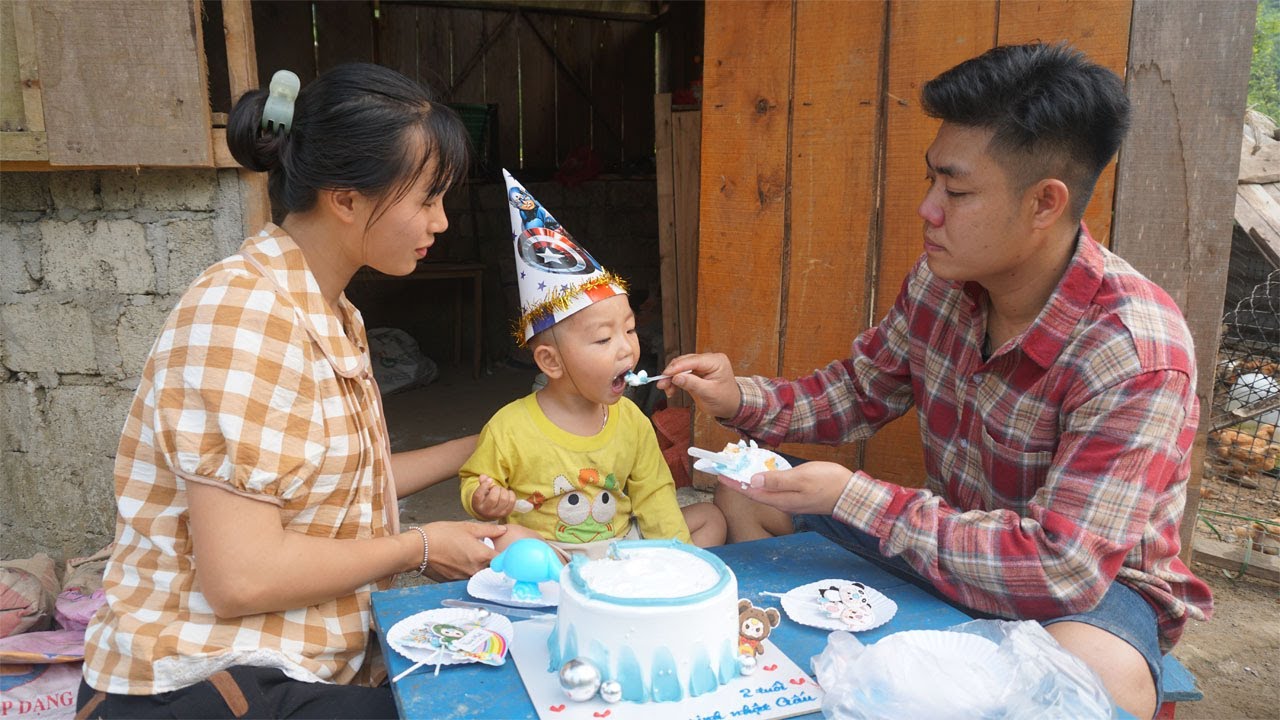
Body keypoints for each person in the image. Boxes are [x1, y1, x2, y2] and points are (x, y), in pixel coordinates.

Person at [658, 43, 1212, 720]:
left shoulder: (1133, 352)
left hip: (1092, 590)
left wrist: (856, 498)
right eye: (932, 183)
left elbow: (1062, 567)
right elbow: (857, 392)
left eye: (956, 190)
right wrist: (737, 396)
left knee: (1093, 677)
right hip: (950, 544)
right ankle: (788, 684)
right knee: (747, 487)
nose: (928, 209)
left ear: (1044, 203)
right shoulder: (943, 284)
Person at [78, 63, 508, 719]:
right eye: (426, 199)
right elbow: (242, 576)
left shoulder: (327, 310)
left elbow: (336, 488)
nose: (441, 221)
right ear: (346, 200)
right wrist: (423, 546)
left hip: (287, 662)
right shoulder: (244, 320)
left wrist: (490, 442)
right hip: (202, 679)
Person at [459, 172, 725, 558]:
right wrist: (484, 500)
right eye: (603, 339)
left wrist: (675, 559)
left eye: (630, 330)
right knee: (508, 546)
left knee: (710, 518)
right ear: (551, 361)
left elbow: (653, 493)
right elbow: (473, 481)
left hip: (621, 550)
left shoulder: (632, 420)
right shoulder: (509, 427)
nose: (626, 350)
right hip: (551, 554)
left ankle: (634, 585)